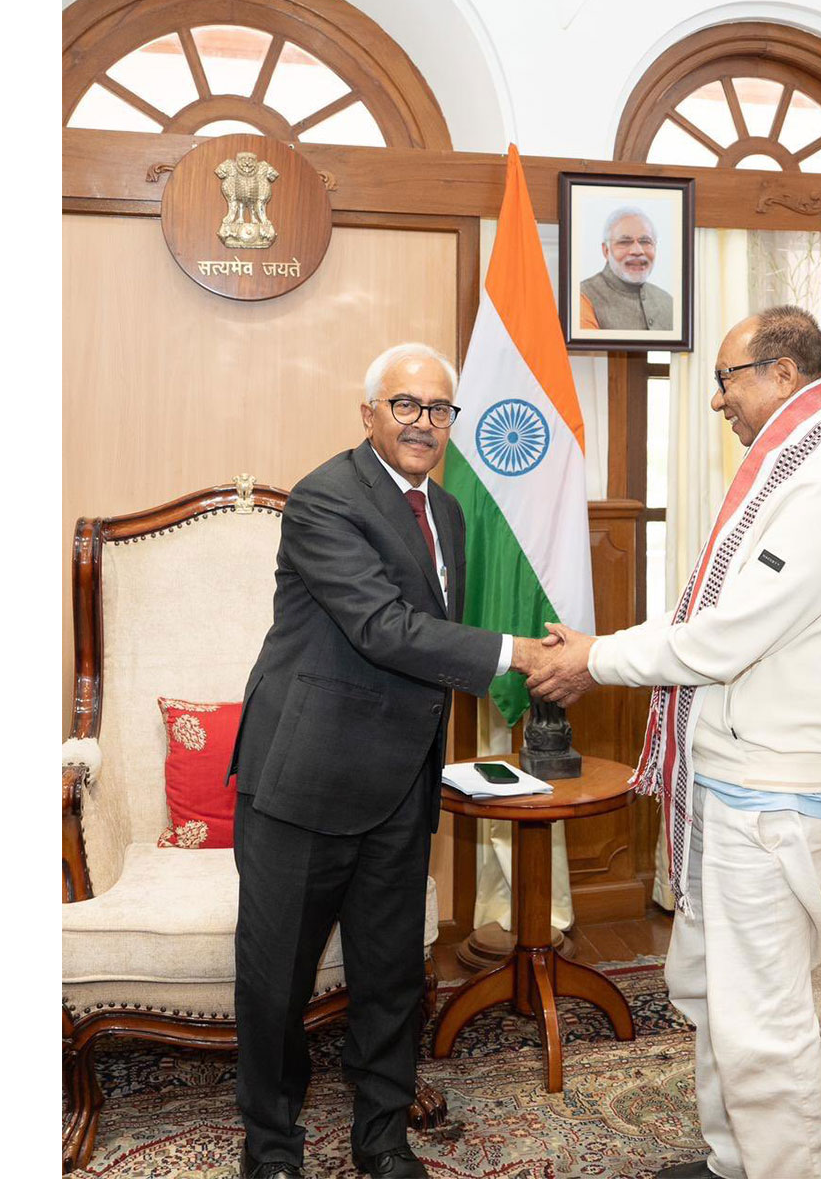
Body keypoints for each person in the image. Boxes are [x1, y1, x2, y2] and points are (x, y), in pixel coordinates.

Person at [527, 306, 821, 1179]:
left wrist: (593, 658)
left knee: (763, 1026)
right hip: (733, 784)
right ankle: (736, 1162)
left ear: (782, 373)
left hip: (773, 794)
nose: (719, 402)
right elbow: (705, 619)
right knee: (715, 998)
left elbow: (726, 637)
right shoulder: (781, 476)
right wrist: (600, 653)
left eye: (728, 379)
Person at [227, 342, 554, 1179]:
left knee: (389, 974)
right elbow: (383, 630)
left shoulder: (446, 512)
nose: (423, 422)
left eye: (439, 409)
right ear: (368, 412)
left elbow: (429, 649)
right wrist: (519, 652)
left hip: (402, 780)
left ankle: (380, 1138)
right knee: (276, 983)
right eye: (404, 405)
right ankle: (271, 1147)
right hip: (306, 777)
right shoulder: (325, 500)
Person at [579, 206, 674, 332]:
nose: (637, 251)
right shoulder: (582, 296)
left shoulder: (667, 301)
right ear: (606, 251)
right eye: (624, 242)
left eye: (645, 241)